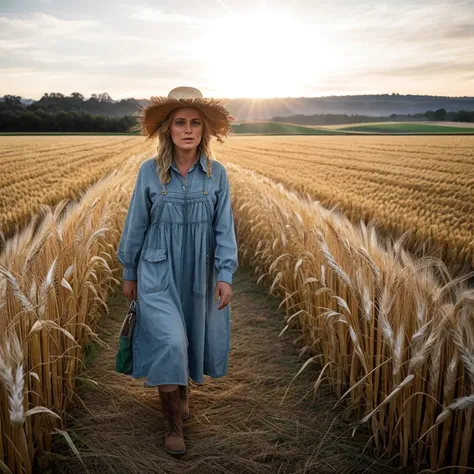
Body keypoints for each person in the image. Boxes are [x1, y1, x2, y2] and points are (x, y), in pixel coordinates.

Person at [116, 86, 238, 456]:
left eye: (196, 123)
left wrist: (225, 274)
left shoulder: (217, 174)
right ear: (168, 129)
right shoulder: (149, 172)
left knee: (189, 337)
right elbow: (136, 222)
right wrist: (129, 271)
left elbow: (224, 227)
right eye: (180, 122)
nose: (188, 129)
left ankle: (181, 392)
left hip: (199, 270)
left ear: (205, 131)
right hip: (156, 268)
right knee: (169, 340)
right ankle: (171, 423)